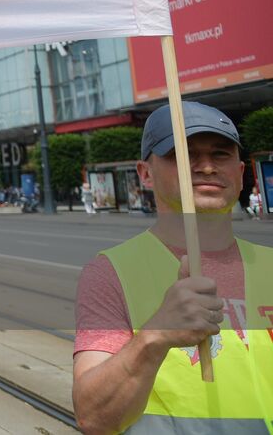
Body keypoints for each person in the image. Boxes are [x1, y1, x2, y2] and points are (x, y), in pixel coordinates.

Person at [72, 102, 273, 433]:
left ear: (240, 174)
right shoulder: (112, 273)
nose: (206, 167)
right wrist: (156, 336)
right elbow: (93, 417)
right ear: (146, 174)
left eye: (220, 154)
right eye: (184, 154)